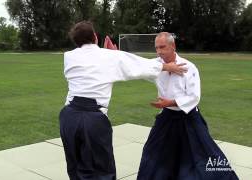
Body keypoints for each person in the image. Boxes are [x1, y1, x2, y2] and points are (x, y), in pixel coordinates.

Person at [59, 21, 187, 180]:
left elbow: (97, 63)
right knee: (101, 171)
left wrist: (113, 54)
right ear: (95, 36)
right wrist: (168, 67)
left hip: (68, 117)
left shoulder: (69, 57)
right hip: (92, 120)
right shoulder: (109, 56)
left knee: (75, 166)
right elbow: (137, 65)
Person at [137, 32, 239, 180]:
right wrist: (117, 55)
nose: (159, 51)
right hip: (166, 117)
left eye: (162, 47)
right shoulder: (157, 66)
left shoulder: (189, 67)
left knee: (203, 156)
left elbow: (194, 97)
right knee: (153, 152)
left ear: (173, 46)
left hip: (189, 117)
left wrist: (170, 103)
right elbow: (137, 67)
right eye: (156, 48)